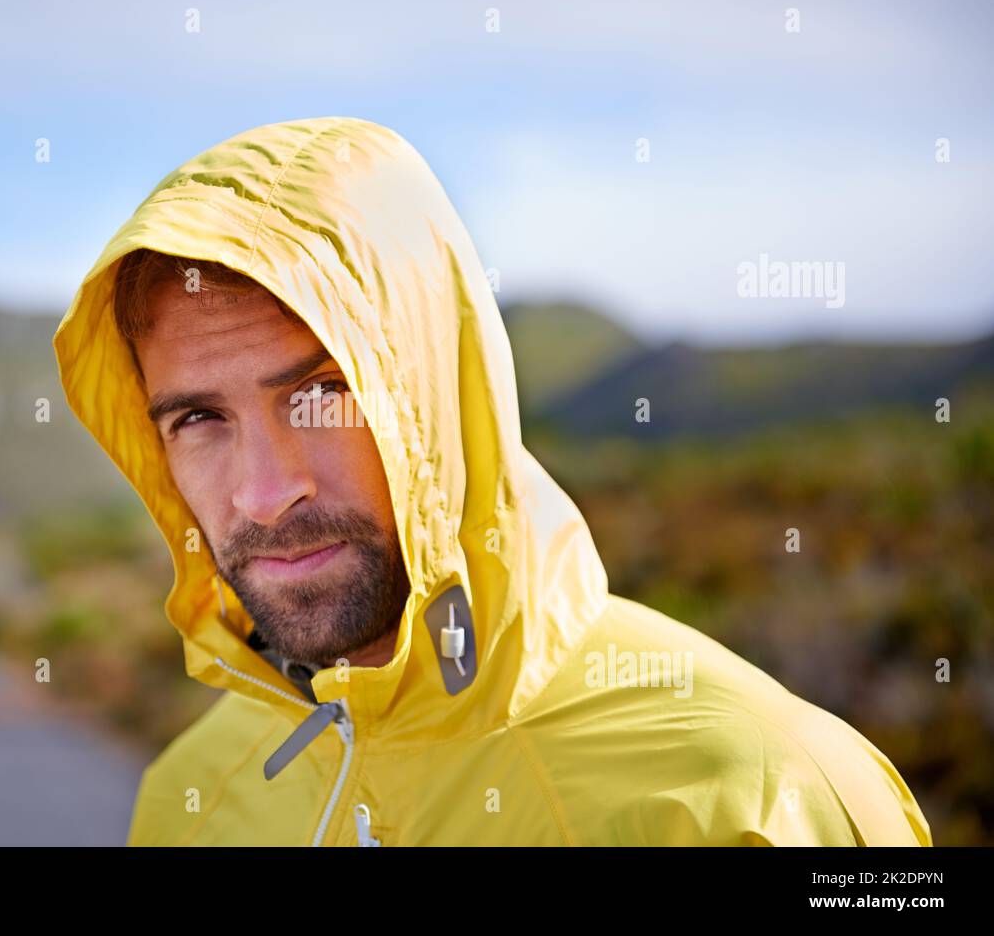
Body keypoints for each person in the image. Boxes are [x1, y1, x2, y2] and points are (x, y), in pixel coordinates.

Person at [53, 116, 932, 846]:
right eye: (199, 419)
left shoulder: (767, 798)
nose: (261, 492)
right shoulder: (188, 802)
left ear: (433, 392)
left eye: (325, 394)